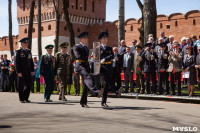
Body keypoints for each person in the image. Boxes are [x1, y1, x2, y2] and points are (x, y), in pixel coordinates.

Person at [73, 31, 103, 108]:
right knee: (87, 77)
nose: (86, 39)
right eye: (84, 38)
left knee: (86, 84)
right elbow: (78, 56)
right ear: (81, 39)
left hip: (85, 66)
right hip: (79, 65)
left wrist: (92, 59)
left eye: (86, 38)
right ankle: (96, 92)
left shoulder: (86, 48)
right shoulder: (76, 47)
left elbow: (86, 58)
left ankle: (83, 102)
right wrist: (88, 59)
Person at [98, 31, 123, 107]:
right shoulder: (98, 48)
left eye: (106, 38)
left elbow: (112, 56)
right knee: (109, 80)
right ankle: (115, 90)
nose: (105, 40)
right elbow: (96, 57)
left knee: (106, 85)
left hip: (108, 67)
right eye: (104, 38)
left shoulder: (110, 48)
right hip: (102, 67)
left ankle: (103, 102)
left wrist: (105, 59)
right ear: (101, 40)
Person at [14, 37, 35, 103]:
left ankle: (26, 98)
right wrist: (18, 71)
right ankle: (21, 98)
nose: (26, 44)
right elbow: (16, 62)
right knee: (21, 85)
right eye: (25, 43)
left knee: (29, 85)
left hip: (28, 71)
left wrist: (32, 70)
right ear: (22, 43)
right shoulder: (18, 51)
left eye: (27, 43)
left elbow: (31, 61)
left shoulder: (28, 51)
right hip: (21, 71)